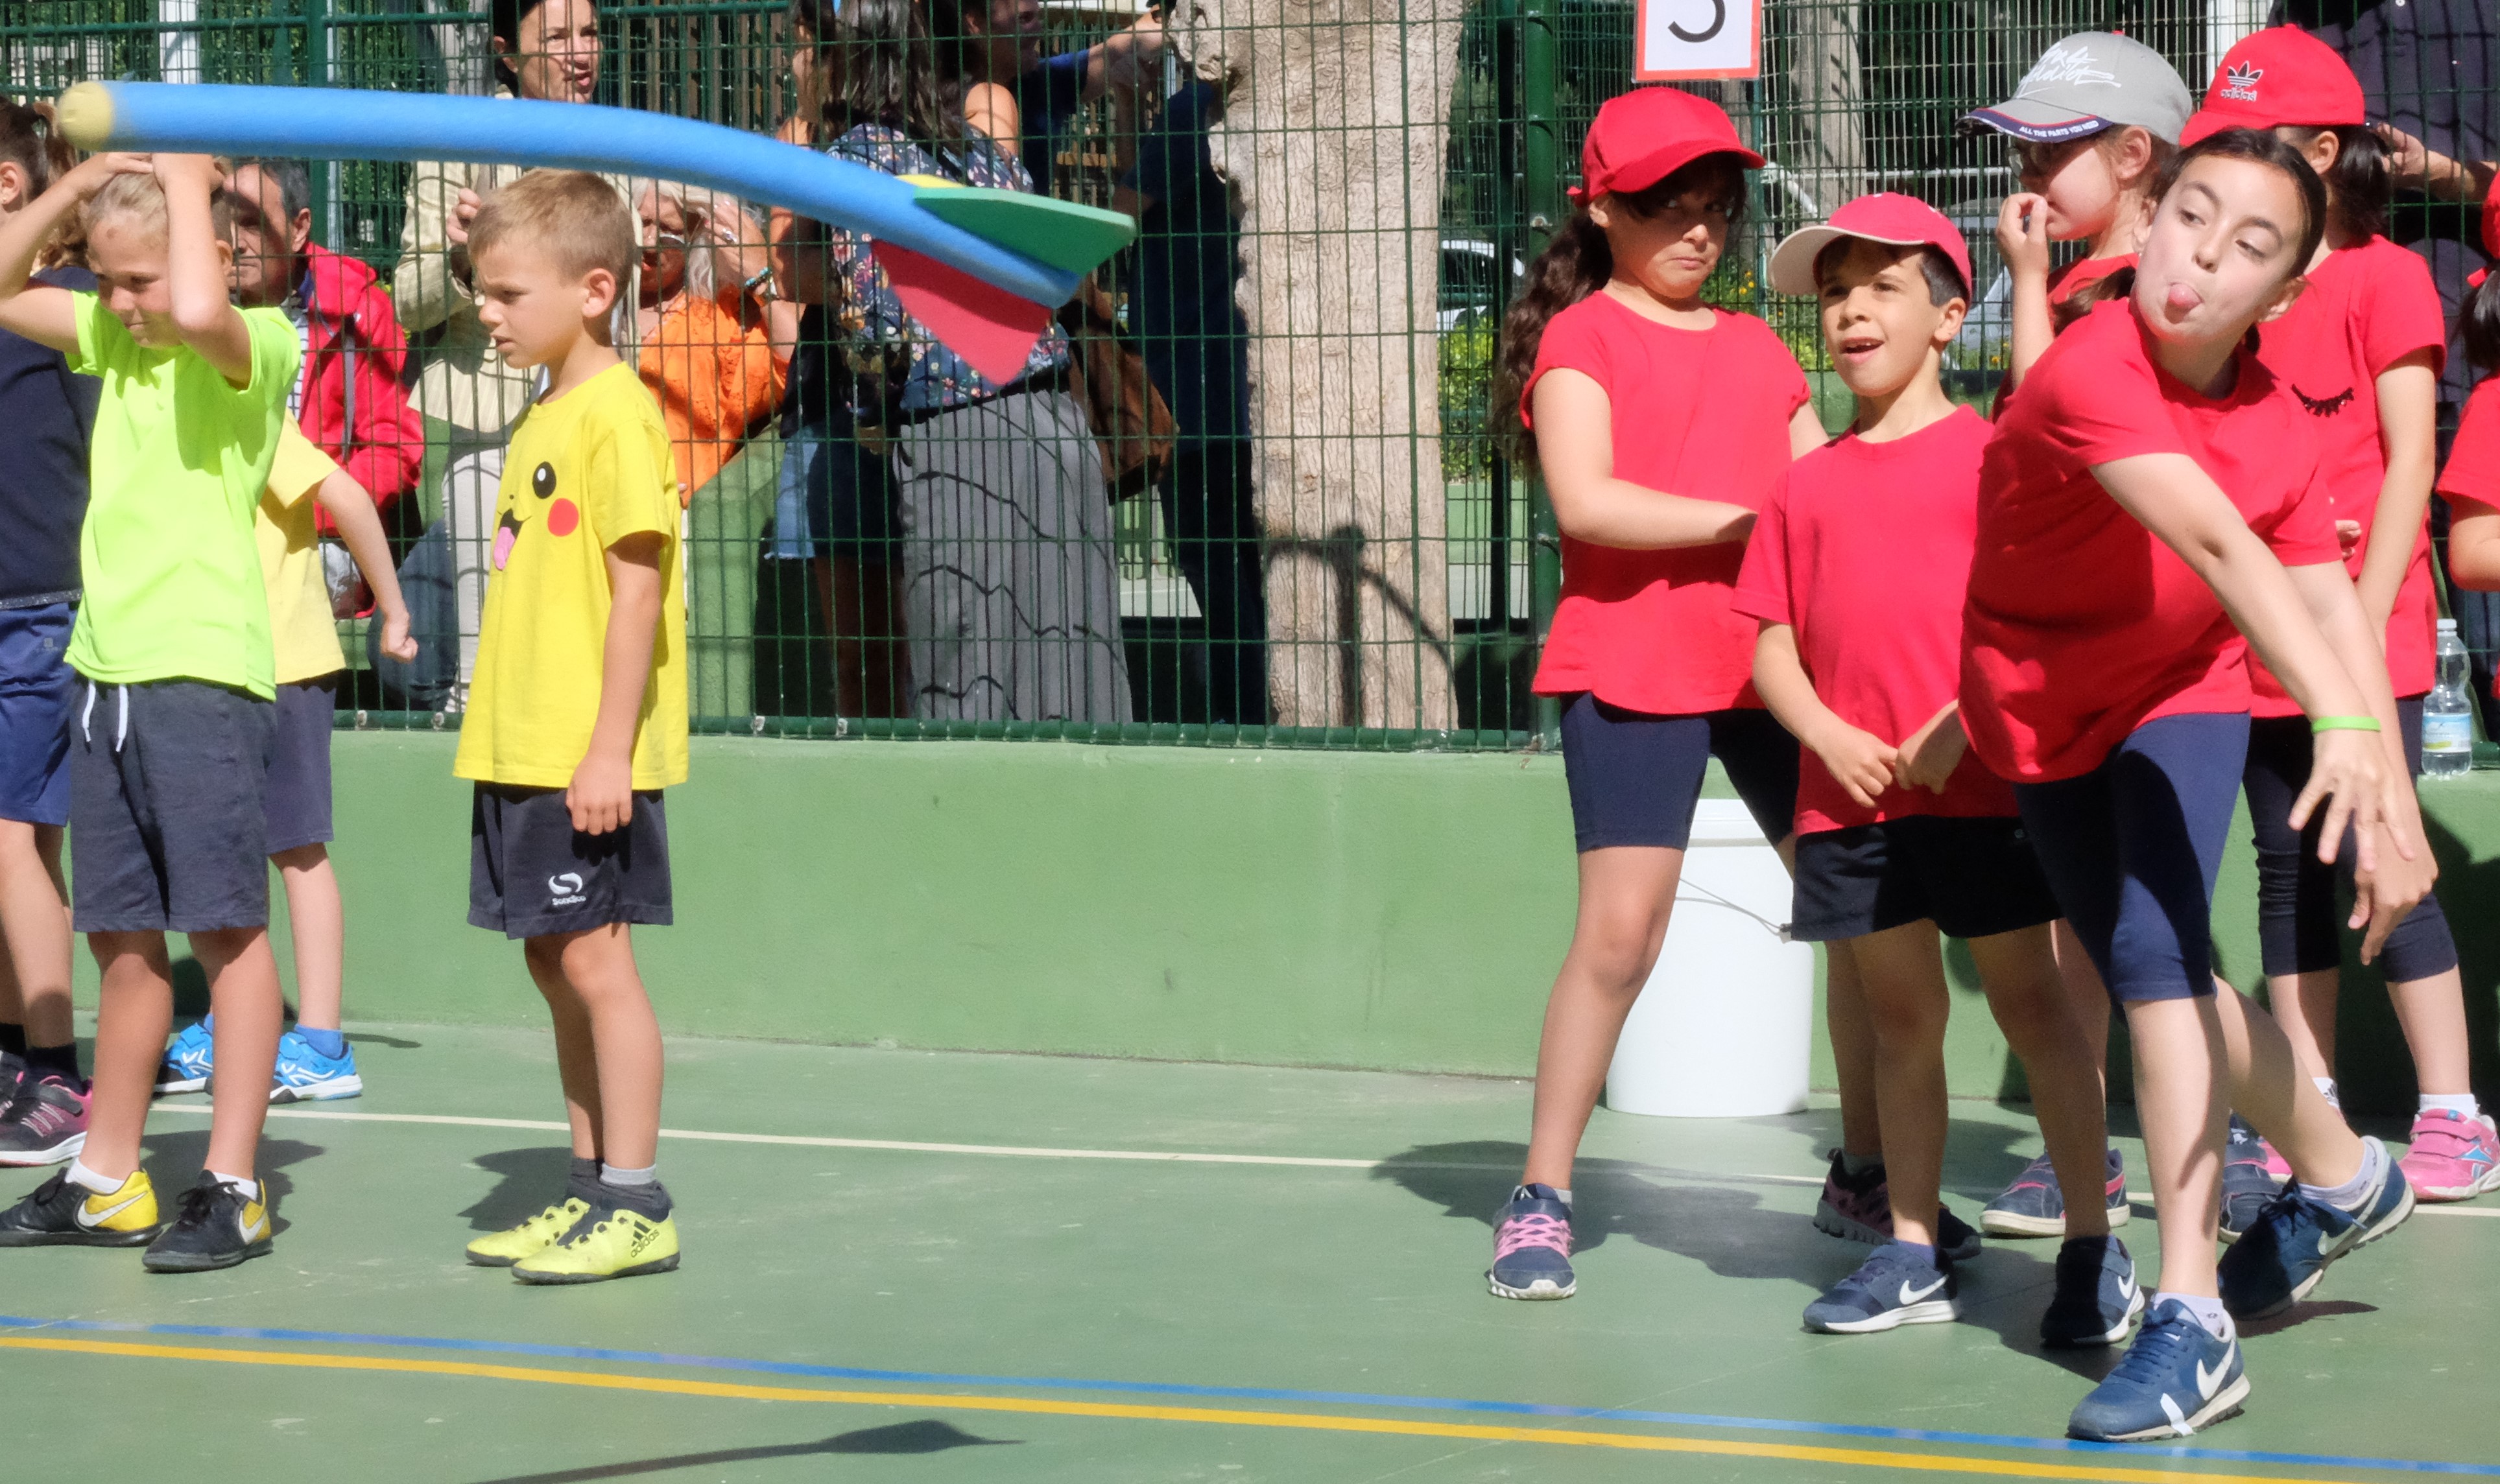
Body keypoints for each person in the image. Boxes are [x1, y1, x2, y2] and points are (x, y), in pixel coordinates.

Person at [1962, 128, 2427, 1439]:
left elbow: (2323, 600)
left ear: (2280, 300)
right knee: (2149, 968)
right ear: (2149, 217)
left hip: (2177, 681)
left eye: (2250, 247)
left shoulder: (2278, 422)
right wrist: (2335, 718)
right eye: (2189, 218)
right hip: (2035, 702)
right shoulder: (2084, 367)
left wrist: (2384, 793)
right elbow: (2218, 540)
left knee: (2153, 952)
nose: (2201, 259)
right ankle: (2340, 1174)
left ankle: (2187, 1314)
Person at [1480, 89, 1870, 1301]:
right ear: (1600, 210)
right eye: (1668, 209)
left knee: (1858, 913)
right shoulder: (1581, 340)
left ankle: (1868, 1171)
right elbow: (1589, 505)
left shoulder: (1759, 348)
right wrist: (1754, 522)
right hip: (1635, 664)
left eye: (1717, 209)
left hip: (1775, 672)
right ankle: (1542, 1191)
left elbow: (1832, 489)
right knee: (1620, 936)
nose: (1700, 231)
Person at [1737, 195, 2128, 1341]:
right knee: (1901, 1021)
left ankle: (2094, 1245)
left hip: (1984, 790)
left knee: (2034, 1009)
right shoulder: (1803, 479)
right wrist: (1825, 732)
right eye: (1834, 292)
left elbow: (2031, 621)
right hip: (1846, 798)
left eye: (1882, 286)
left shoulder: (1995, 454)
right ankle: (1911, 1245)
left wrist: (1967, 716)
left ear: (1953, 316)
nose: (1852, 309)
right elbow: (1771, 643)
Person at [2176, 28, 2497, 1216]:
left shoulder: (2384, 275)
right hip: (2261, 639)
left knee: (2380, 854)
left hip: (2366, 635)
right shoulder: (2236, 291)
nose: (2232, 168)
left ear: (2321, 150)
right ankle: (2305, 1094)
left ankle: (2453, 1108)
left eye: (2255, 145)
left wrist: (2353, 631)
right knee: (2284, 863)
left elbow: (2414, 455)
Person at [0, 152, 300, 1270]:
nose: (122, 303)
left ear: (207, 260)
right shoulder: (114, 338)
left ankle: (231, 1182)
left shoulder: (257, 345)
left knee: (226, 928)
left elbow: (196, 305)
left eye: (141, 280)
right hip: (107, 672)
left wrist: (185, 185)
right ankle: (105, 1175)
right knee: (123, 940)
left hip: (201, 675)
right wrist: (74, 191)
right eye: (107, 280)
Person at [1958, 30, 2189, 1238]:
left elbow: (2073, 430)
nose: (2031, 174)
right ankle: (2084, 1147)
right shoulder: (2072, 279)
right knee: (2086, 923)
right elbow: (2042, 435)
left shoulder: (2171, 286)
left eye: (2057, 147)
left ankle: (2221, 1144)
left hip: (2162, 661)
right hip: (2066, 662)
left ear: (2137, 154)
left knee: (2154, 930)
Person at [452, 170, 687, 1284]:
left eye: (505, 292)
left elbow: (635, 590)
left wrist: (607, 749)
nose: (486, 312)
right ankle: (590, 1183)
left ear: (596, 289)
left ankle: (637, 1199)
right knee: (552, 959)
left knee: (599, 965)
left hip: (581, 751)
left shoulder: (618, 413)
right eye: (479, 290)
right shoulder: (547, 407)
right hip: (519, 745)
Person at [154, 154, 429, 1106]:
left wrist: (391, 607)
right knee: (223, 848)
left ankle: (318, 1038)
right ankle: (246, 1018)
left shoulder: (251, 413)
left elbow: (351, 494)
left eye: (247, 222)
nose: (229, 241)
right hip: (214, 662)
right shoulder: (184, 411)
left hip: (288, 660)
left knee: (296, 847)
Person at [813, 0, 1131, 724]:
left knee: (968, 674)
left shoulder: (856, 162)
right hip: (1058, 435)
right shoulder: (989, 160)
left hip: (959, 444)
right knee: (1073, 656)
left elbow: (874, 328)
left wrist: (872, 415)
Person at [393, 0, 636, 700]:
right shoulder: (458, 144)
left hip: (594, 418)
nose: (580, 52)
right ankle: (474, 703)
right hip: (487, 425)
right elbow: (408, 301)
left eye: (589, 33)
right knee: (480, 581)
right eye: (557, 37)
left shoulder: (622, 148)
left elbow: (626, 314)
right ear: (507, 52)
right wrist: (466, 263)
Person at [1110, 59, 1269, 725]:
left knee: (1219, 576)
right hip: (1238, 392)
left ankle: (1244, 720)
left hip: (1194, 398)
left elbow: (1118, 218)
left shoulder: (1192, 111)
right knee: (1248, 579)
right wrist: (1126, 107)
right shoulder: (1239, 108)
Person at [0, 100, 94, 1168]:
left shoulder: (57, 302)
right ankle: (22, 1052)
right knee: (11, 844)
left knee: (15, 840)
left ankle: (59, 1073)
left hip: (39, 608)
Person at [1964, 31, 2193, 393]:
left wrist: (2026, 280)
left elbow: (2043, 408)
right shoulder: (2060, 280)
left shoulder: (2157, 293)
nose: (2026, 172)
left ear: (2131, 155)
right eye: (2020, 152)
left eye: (2047, 150)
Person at [632, 182, 794, 502]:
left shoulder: (722, 322)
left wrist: (759, 275)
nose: (649, 243)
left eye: (668, 229)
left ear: (698, 237)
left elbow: (795, 367)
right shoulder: (587, 300)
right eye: (640, 224)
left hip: (672, 512)